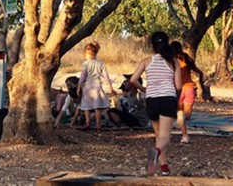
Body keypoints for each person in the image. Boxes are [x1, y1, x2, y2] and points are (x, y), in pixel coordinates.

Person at [129, 31, 182, 177]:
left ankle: (164, 167)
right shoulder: (173, 62)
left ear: (152, 45)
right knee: (165, 137)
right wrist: (176, 99)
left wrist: (144, 89)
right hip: (167, 99)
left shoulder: (147, 61)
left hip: (151, 99)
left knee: (159, 135)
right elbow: (178, 86)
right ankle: (156, 152)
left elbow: (133, 80)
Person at [76, 41, 117, 131]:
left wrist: (79, 86)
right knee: (97, 107)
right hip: (97, 86)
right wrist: (111, 86)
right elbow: (106, 76)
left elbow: (83, 76)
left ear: (88, 53)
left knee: (86, 106)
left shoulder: (85, 64)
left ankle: (88, 123)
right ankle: (98, 125)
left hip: (87, 87)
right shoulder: (100, 63)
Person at [171, 41, 197, 144]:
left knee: (179, 112)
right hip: (190, 88)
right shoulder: (186, 59)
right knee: (187, 116)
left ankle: (185, 135)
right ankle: (181, 121)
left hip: (178, 89)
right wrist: (201, 83)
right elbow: (200, 72)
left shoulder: (172, 62)